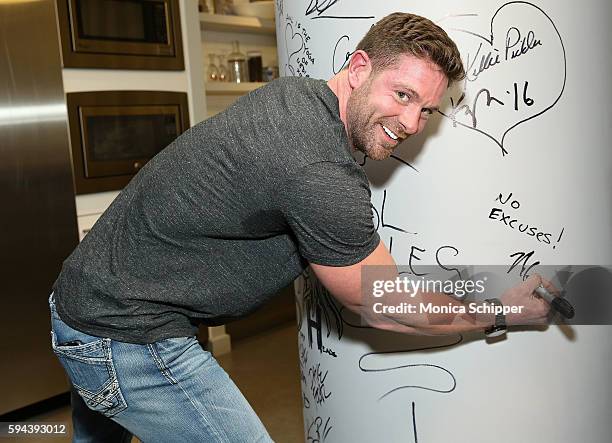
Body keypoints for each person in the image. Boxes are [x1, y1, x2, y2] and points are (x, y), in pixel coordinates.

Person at [49, 12, 553, 442]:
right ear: (358, 69)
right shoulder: (318, 170)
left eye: (424, 109)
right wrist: (500, 311)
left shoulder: (299, 98)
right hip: (124, 334)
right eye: (402, 94)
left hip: (90, 299)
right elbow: (384, 304)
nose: (412, 122)